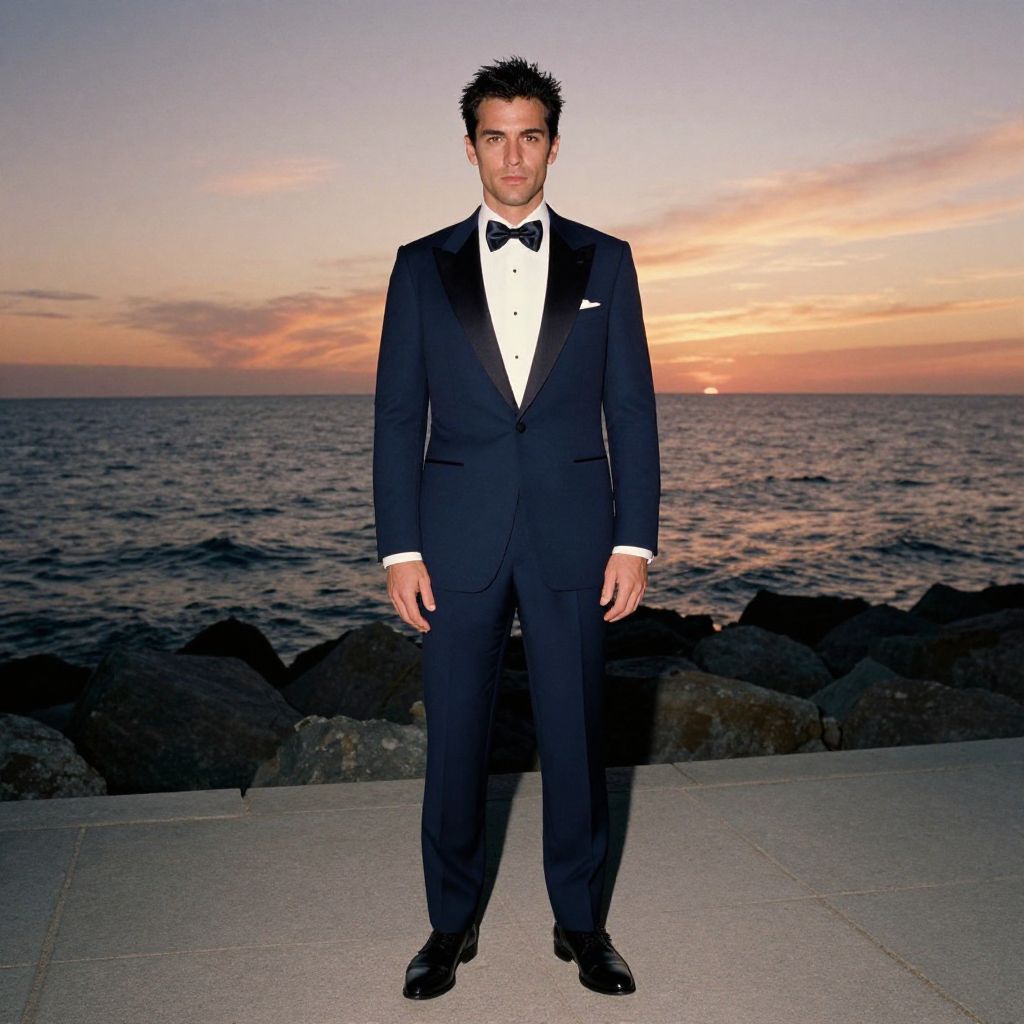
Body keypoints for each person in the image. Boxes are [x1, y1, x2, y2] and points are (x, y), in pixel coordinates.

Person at [372, 56, 660, 1000]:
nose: (511, 156)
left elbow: (632, 409)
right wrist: (400, 547)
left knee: (576, 736)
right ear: (470, 148)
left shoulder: (606, 260)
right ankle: (448, 924)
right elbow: (396, 415)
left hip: (576, 533)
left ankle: (582, 924)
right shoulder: (420, 266)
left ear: (553, 147)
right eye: (494, 137)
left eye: (528, 136)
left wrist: (635, 539)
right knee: (456, 737)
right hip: (454, 535)